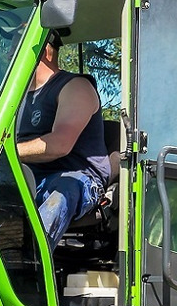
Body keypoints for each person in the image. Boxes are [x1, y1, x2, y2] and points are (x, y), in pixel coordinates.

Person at [14, 28, 111, 250]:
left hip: (77, 179)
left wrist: (2, 152)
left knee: (63, 189)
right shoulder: (15, 100)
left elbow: (60, 144)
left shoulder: (75, 87)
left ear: (46, 52)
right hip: (29, 178)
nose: (10, 54)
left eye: (17, 46)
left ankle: (32, 265)